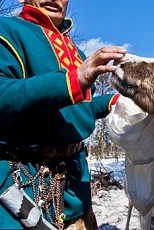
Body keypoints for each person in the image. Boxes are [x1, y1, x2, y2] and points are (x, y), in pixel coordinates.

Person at [0, 0, 126, 229]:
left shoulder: (75, 52)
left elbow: (77, 111)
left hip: (76, 187)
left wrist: (116, 101)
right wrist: (75, 80)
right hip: (22, 181)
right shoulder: (6, 31)